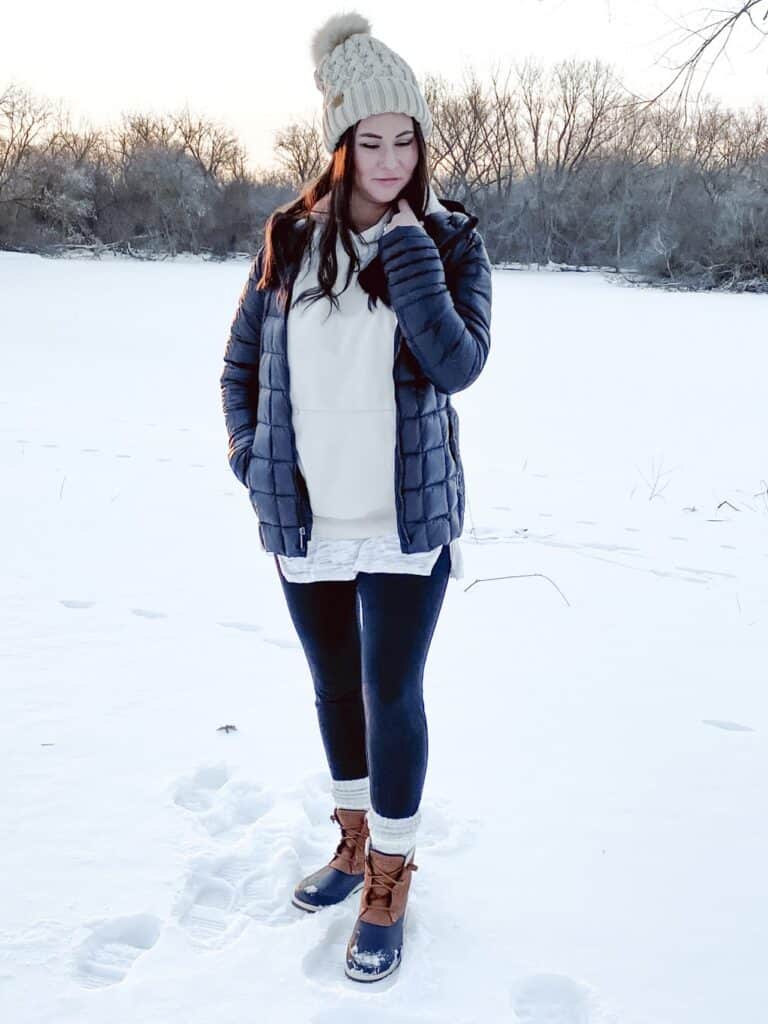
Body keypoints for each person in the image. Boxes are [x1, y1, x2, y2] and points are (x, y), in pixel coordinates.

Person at [219, 11, 492, 983]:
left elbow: (458, 365)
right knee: (335, 688)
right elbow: (242, 366)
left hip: (404, 518)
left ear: (422, 143)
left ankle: (389, 869)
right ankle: (350, 834)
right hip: (306, 519)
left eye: (403, 138)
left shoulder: (451, 241)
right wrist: (253, 460)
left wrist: (411, 253)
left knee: (390, 692)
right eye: (368, 139)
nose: (387, 156)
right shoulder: (290, 240)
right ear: (340, 143)